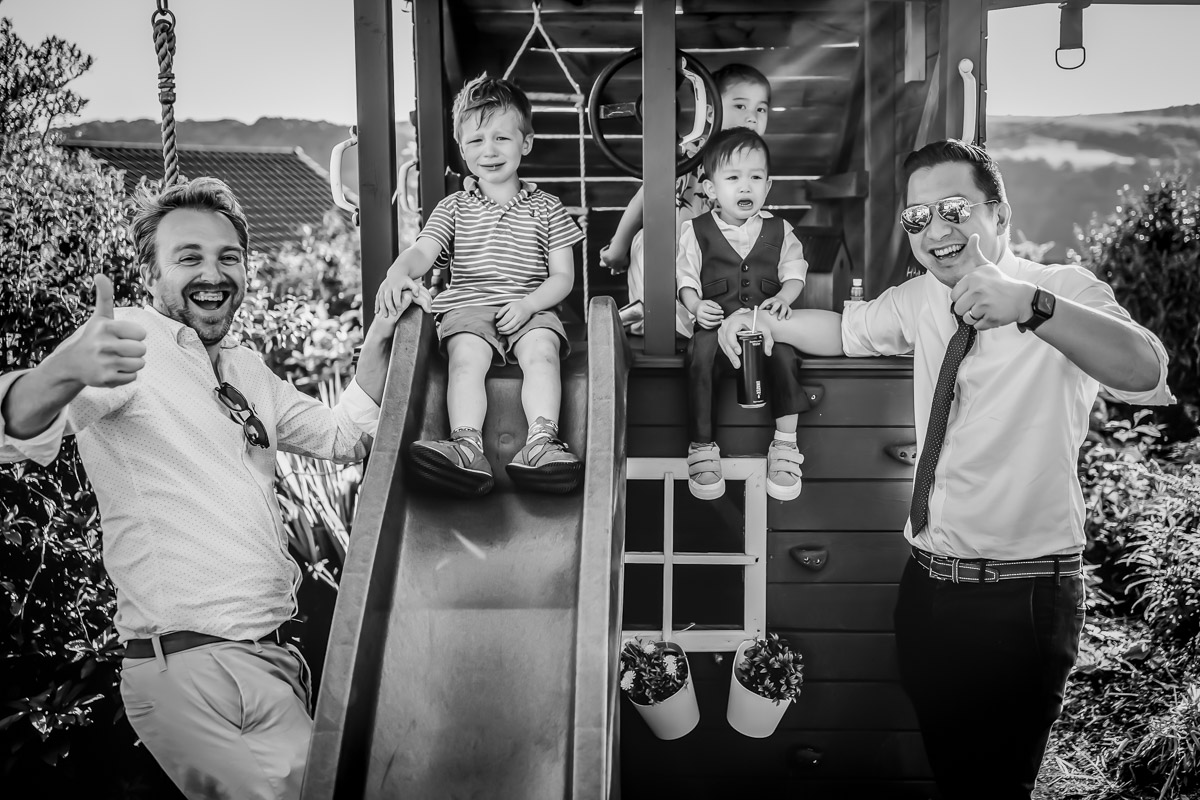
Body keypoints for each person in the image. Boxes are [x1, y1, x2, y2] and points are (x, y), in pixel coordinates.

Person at [717, 139, 1174, 799]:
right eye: (917, 218)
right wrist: (759, 321)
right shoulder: (922, 301)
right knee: (953, 775)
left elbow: (1147, 371)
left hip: (1021, 599)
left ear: (999, 213)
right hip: (928, 588)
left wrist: (1032, 308)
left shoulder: (1061, 290)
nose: (936, 229)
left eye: (955, 209)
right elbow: (846, 330)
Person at [0, 177, 419, 800]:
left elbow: (344, 434)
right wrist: (62, 370)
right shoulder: (127, 349)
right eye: (188, 258)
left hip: (271, 664)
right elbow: (17, 428)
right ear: (150, 275)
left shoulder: (247, 369)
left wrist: (380, 342)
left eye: (228, 257)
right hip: (192, 668)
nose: (213, 273)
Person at [375, 74, 584, 497]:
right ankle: (467, 446)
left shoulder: (549, 208)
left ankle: (541, 443)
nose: (489, 151)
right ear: (462, 150)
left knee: (543, 352)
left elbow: (564, 276)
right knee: (466, 357)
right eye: (476, 141)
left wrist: (528, 306)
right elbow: (423, 251)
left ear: (525, 143)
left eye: (502, 138)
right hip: (468, 308)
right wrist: (398, 272)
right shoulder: (453, 208)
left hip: (530, 305)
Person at [677, 128, 809, 502]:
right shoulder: (696, 231)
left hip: (762, 327)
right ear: (711, 189)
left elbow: (794, 271)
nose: (745, 187)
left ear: (768, 186)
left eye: (755, 178)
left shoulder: (780, 230)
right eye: (733, 178)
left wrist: (784, 296)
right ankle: (702, 447)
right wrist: (695, 305)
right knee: (698, 355)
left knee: (786, 356)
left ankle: (784, 446)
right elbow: (685, 277)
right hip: (716, 325)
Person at [601, 63, 772, 337]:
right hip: (679, 258)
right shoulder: (691, 154)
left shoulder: (756, 166)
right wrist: (616, 249)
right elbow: (648, 195)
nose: (752, 117)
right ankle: (652, 314)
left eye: (760, 109)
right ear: (711, 111)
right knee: (645, 242)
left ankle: (718, 319)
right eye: (741, 106)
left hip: (721, 263)